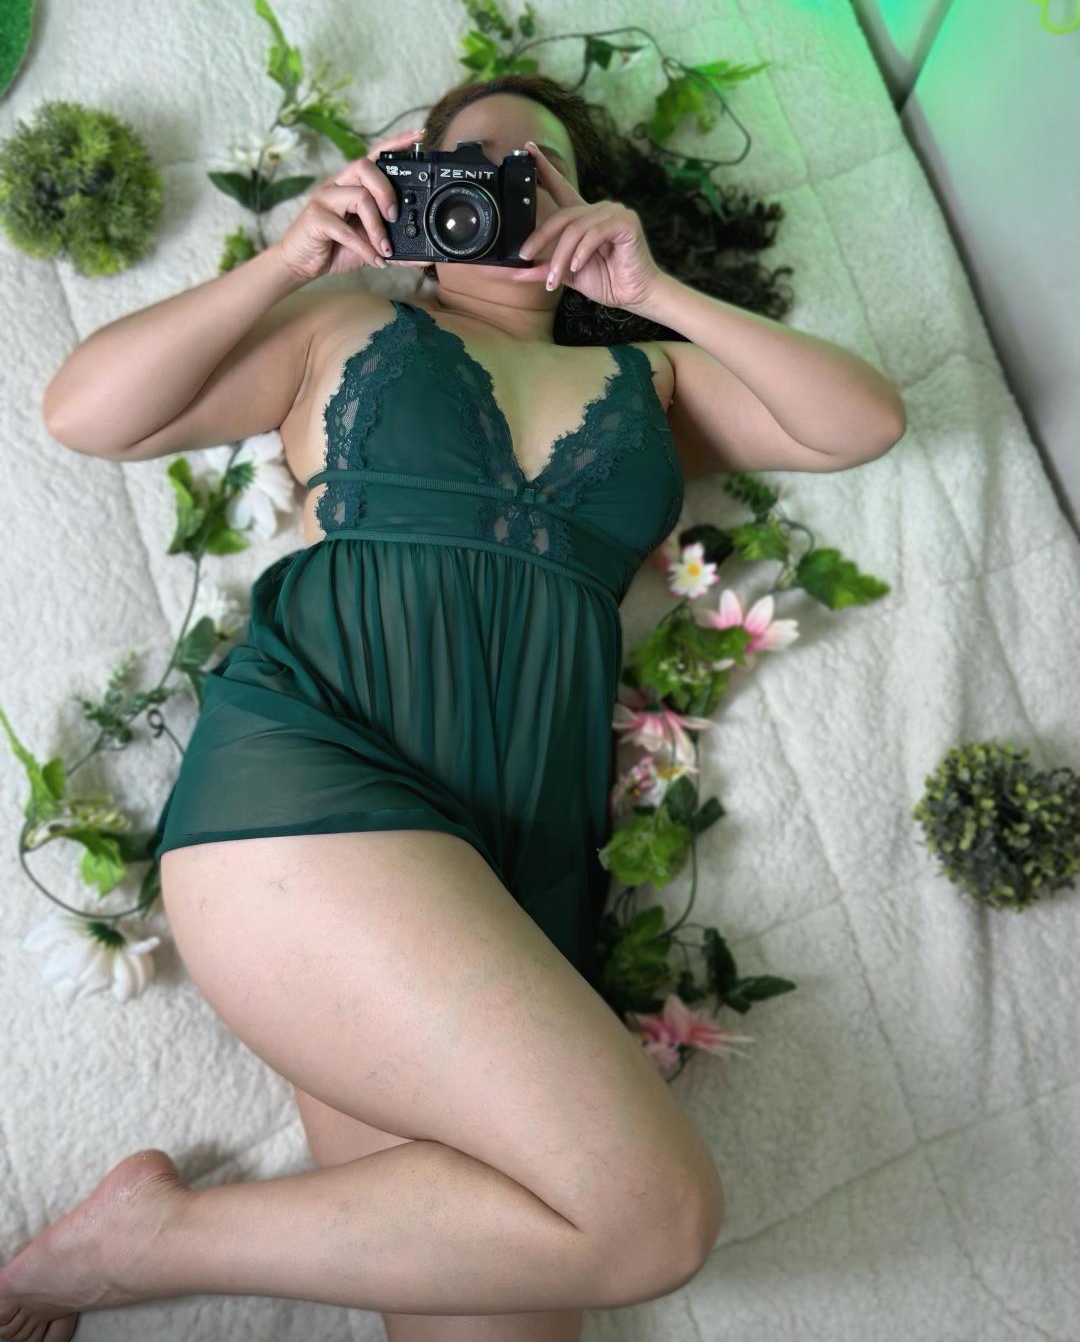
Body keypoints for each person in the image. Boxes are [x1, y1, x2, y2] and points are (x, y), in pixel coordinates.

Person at [4, 76, 724, 1340]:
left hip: (511, 880)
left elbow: (861, 419)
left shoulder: (649, 373)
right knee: (655, 1220)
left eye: (539, 169)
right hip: (317, 798)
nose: (504, 188)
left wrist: (652, 288)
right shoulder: (346, 320)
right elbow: (83, 413)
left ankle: (144, 1240)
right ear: (412, 186)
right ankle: (143, 1244)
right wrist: (293, 256)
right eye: (472, 163)